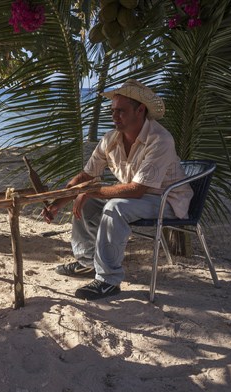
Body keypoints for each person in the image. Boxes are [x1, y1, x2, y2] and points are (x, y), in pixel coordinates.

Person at [42, 79, 193, 301]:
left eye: (121, 111)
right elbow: (86, 176)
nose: (114, 116)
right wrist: (56, 205)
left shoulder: (160, 139)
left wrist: (88, 191)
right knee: (90, 203)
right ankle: (86, 262)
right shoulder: (110, 139)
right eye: (113, 110)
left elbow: (137, 190)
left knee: (114, 206)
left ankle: (108, 280)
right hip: (136, 198)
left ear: (140, 110)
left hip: (165, 201)